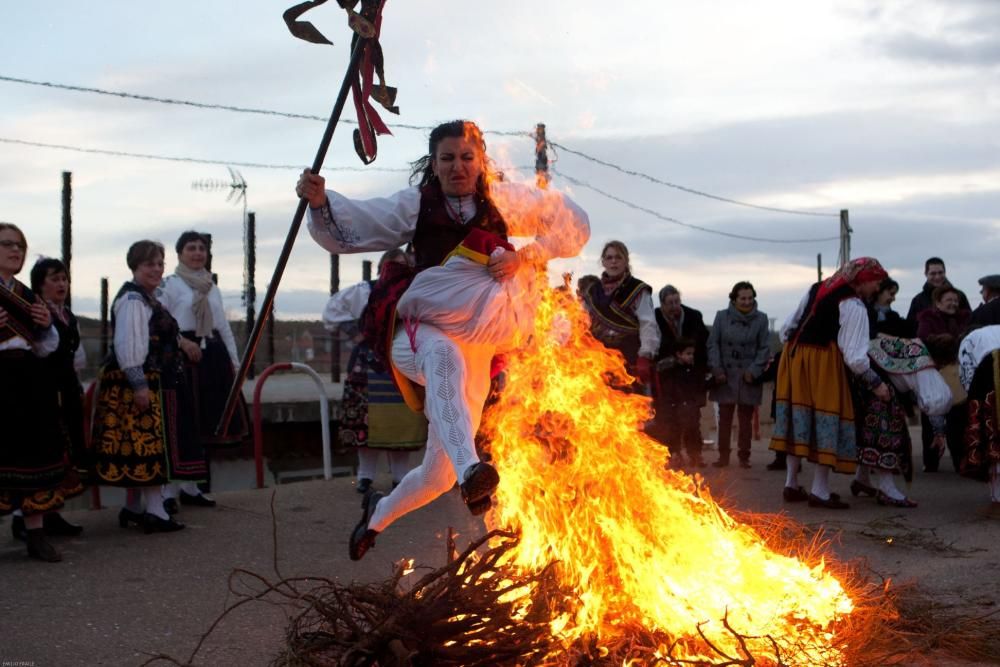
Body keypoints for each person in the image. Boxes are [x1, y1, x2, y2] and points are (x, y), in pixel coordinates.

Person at [298, 119, 590, 560]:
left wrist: (524, 255)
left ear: (481, 162)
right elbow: (354, 224)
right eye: (448, 159)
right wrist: (321, 202)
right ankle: (472, 469)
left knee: (436, 475)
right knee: (441, 355)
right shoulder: (416, 204)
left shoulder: (504, 200)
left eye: (467, 158)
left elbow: (574, 225)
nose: (458, 167)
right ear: (433, 164)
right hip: (421, 326)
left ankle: (377, 515)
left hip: (478, 337)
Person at [91, 240, 204, 534]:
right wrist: (139, 384)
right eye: (149, 264)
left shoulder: (150, 299)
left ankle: (134, 508)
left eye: (159, 264)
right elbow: (130, 346)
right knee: (148, 447)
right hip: (139, 382)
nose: (156, 269)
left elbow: (164, 334)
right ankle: (155, 511)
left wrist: (183, 343)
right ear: (135, 267)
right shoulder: (133, 301)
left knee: (143, 448)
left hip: (153, 379)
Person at [770, 257, 890, 509]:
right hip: (823, 360)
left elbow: (787, 328)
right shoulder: (852, 304)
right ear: (863, 280)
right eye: (876, 283)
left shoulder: (818, 287)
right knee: (827, 418)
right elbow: (856, 357)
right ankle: (820, 491)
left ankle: (791, 484)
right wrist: (877, 384)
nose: (877, 289)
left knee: (799, 418)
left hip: (794, 357)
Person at [0, 223, 76, 561]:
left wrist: (46, 326)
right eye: (7, 245)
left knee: (35, 455)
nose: (15, 251)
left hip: (30, 382)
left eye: (20, 246)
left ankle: (35, 534)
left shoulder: (28, 295)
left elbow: (46, 348)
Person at [159, 231, 249, 512]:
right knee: (181, 423)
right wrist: (182, 343)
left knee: (205, 423)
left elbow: (222, 326)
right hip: (183, 358)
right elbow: (159, 323)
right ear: (180, 253)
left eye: (201, 248)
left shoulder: (212, 287)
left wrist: (235, 363)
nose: (197, 253)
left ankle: (191, 487)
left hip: (212, 357)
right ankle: (168, 492)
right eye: (191, 248)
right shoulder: (170, 286)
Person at [325, 249, 426, 494]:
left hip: (400, 364)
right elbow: (331, 312)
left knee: (402, 423)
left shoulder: (414, 292)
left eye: (402, 265)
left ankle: (400, 477)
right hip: (367, 365)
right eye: (392, 265)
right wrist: (355, 333)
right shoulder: (363, 291)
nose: (396, 269)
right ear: (381, 267)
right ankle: (365, 476)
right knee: (364, 425)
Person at [8, 258, 90, 543]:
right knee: (41, 453)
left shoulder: (67, 315)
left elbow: (75, 355)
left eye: (64, 279)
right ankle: (24, 518)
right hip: (40, 387)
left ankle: (50, 513)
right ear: (40, 285)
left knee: (62, 452)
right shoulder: (33, 312)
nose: (61, 284)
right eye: (54, 279)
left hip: (65, 387)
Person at [853, 335, 953, 507]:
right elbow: (936, 399)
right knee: (888, 435)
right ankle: (886, 488)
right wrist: (939, 433)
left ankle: (861, 478)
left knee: (869, 433)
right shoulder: (925, 363)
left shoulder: (913, 345)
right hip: (878, 384)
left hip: (862, 377)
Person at [706, 281, 770, 468]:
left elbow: (764, 348)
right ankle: (723, 456)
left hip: (747, 375)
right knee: (724, 418)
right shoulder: (721, 317)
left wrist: (754, 371)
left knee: (745, 419)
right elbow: (713, 344)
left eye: (750, 298)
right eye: (742, 298)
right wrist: (717, 369)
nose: (746, 302)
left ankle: (744, 456)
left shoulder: (761, 319)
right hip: (725, 374)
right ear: (734, 299)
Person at [581, 241, 659, 389]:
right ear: (603, 262)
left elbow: (648, 323)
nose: (613, 261)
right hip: (598, 358)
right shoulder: (592, 291)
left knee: (629, 405)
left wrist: (645, 355)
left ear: (626, 261)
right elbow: (581, 321)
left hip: (629, 356)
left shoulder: (637, 289)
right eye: (609, 258)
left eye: (618, 257)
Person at [651, 285, 709, 461]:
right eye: (670, 303)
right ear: (662, 304)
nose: (674, 306)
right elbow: (654, 346)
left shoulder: (694, 316)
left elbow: (703, 344)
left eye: (677, 301)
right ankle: (672, 453)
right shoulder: (654, 318)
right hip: (667, 377)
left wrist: (698, 365)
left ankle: (695, 453)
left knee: (692, 418)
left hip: (691, 375)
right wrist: (674, 359)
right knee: (668, 419)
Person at [916, 285, 971, 472]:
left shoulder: (965, 318)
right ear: (938, 302)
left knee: (959, 422)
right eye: (948, 300)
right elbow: (923, 339)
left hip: (958, 376)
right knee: (931, 419)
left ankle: (960, 462)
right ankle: (931, 462)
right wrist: (946, 340)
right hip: (935, 374)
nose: (953, 304)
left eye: (955, 300)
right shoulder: (927, 318)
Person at [957, 325, 1000, 513]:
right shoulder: (987, 337)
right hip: (991, 373)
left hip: (990, 374)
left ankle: (997, 500)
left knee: (994, 440)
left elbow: (968, 379)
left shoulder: (972, 340)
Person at [657, 338, 709, 468]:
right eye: (688, 354)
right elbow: (669, 390)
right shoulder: (671, 371)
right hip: (676, 408)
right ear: (678, 354)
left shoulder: (694, 371)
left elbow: (700, 386)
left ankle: (695, 455)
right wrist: (671, 405)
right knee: (674, 432)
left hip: (691, 408)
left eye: (692, 354)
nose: (691, 357)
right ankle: (675, 455)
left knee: (694, 432)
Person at [905, 257, 971, 328]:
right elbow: (910, 327)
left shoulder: (960, 295)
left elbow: (970, 321)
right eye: (933, 274)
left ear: (945, 273)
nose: (937, 277)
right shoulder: (918, 300)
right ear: (926, 274)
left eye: (940, 273)